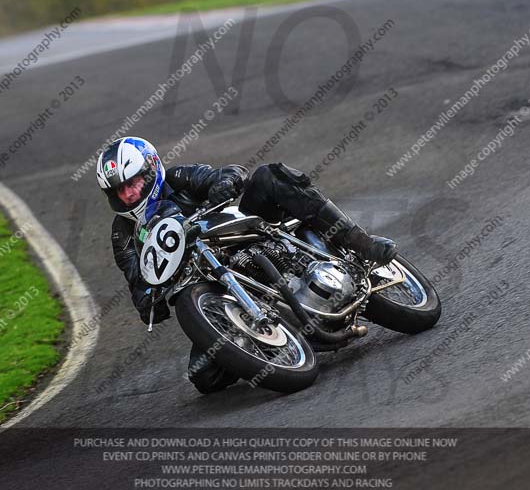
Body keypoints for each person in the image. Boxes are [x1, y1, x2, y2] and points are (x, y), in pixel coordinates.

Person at [97, 136, 397, 393]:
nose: (128, 194)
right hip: (207, 283)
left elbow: (229, 173)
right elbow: (137, 282)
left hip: (242, 236)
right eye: (118, 191)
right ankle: (273, 341)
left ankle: (359, 241)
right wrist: (149, 300)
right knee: (204, 377)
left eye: (133, 182)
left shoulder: (179, 178)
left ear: (150, 169)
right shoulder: (121, 233)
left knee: (269, 176)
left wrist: (225, 183)